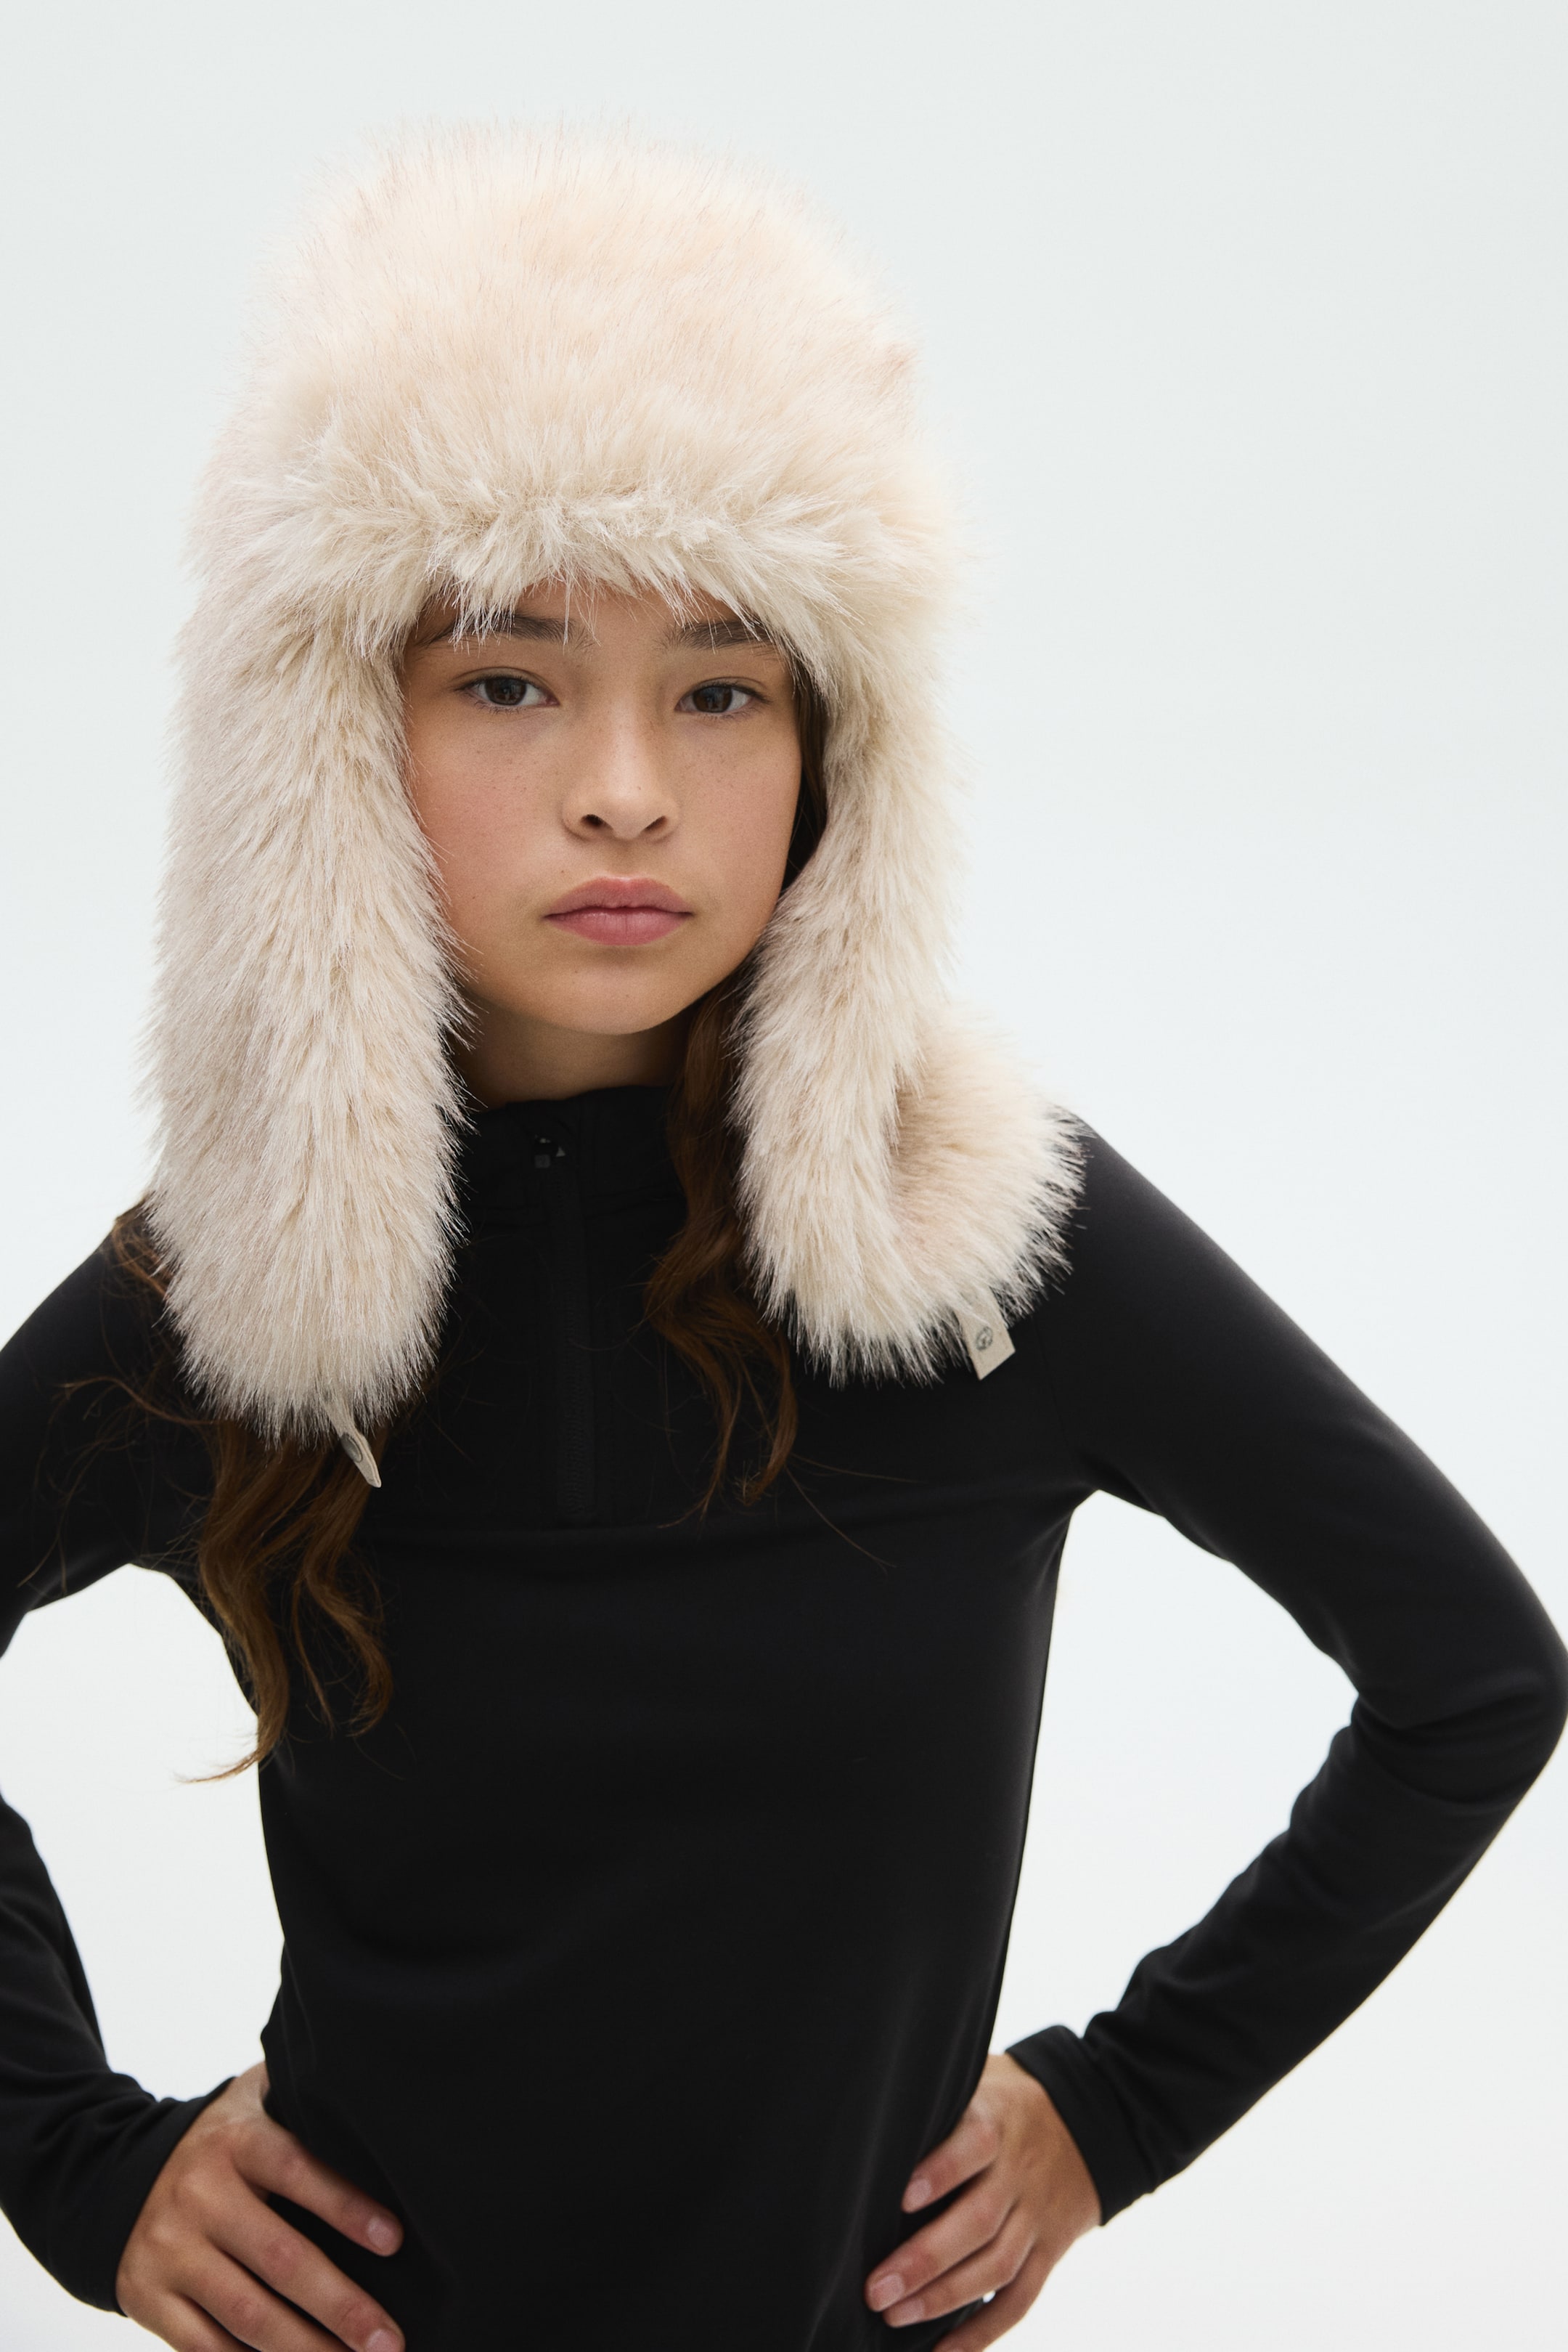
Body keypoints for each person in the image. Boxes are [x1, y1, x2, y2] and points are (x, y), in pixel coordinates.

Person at [0, 125, 1562, 2352]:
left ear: (838, 754)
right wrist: (77, 2157)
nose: (626, 786)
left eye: (722, 688)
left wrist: (1117, 2111)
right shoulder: (241, 1290)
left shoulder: (975, 1248)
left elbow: (1474, 1678)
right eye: (512, 678)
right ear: (335, 734)